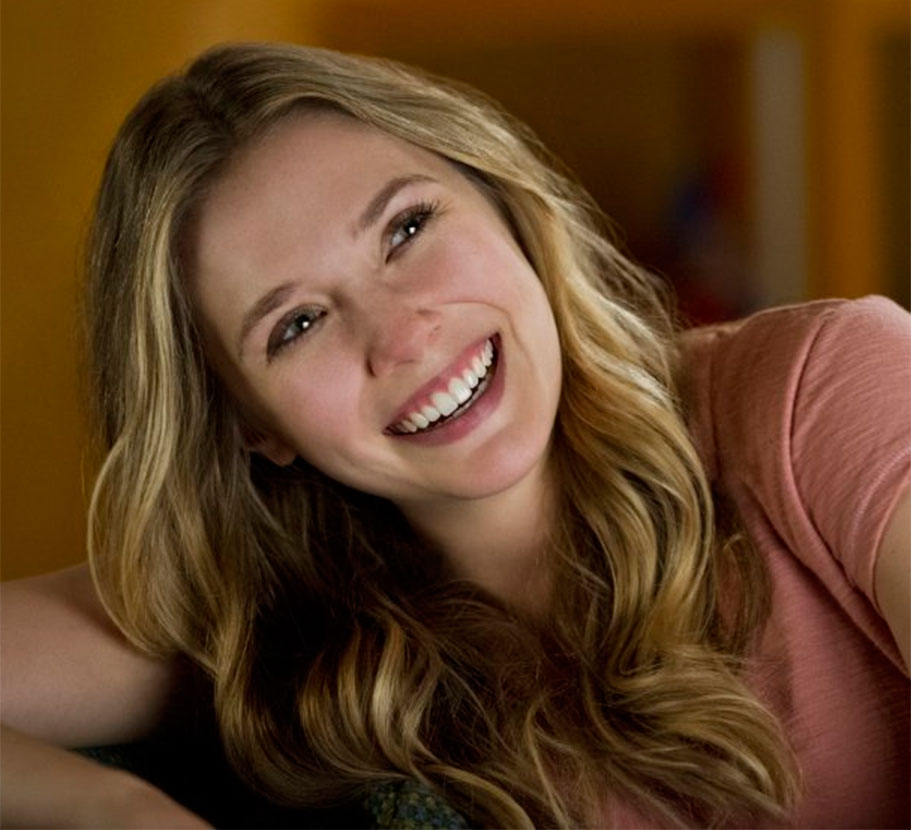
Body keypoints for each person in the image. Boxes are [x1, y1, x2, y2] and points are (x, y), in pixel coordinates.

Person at [1, 41, 908, 829]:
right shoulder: (270, 622)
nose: (401, 335)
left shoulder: (818, 389)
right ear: (246, 425)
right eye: (296, 324)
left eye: (406, 228)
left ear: (502, 200)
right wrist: (112, 810)